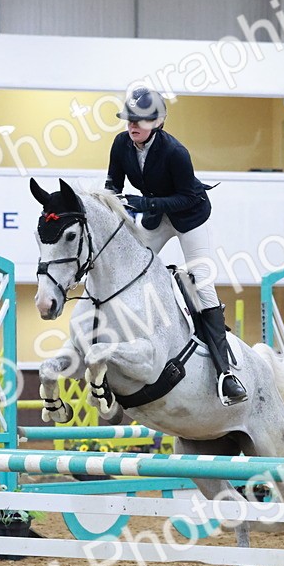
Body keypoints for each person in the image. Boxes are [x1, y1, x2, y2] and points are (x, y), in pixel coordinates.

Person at [104, 86, 245, 406]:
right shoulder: (121, 144)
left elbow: (187, 197)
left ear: (158, 122)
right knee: (128, 264)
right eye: (129, 120)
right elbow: (112, 184)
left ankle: (226, 373)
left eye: (139, 120)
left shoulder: (175, 152)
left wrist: (143, 202)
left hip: (189, 217)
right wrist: (111, 206)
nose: (132, 126)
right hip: (156, 217)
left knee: (204, 285)